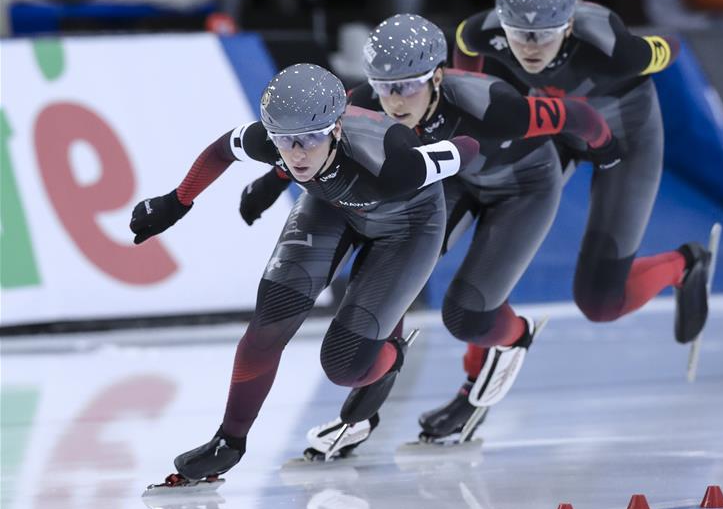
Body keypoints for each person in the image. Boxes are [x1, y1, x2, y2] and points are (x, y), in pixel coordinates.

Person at [240, 14, 620, 447]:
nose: (392, 101)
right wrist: (271, 182)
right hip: (456, 180)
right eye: (382, 86)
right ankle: (366, 411)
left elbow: (577, 115)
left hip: (523, 189)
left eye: (406, 86)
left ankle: (515, 338)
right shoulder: (367, 98)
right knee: (391, 272)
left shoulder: (491, 105)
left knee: (468, 314)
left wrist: (607, 152)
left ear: (438, 77)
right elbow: (308, 137)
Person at [132, 63, 478, 486]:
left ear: (335, 129)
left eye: (311, 138)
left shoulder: (392, 157)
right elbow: (222, 149)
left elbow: (468, 147)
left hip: (407, 228)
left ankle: (389, 358)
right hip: (331, 210)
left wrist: (465, 143)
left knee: (344, 366)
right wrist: (176, 202)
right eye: (284, 141)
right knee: (267, 324)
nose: (296, 154)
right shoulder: (275, 141)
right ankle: (229, 442)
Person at [452, 0, 715, 392]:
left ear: (570, 26)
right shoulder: (486, 30)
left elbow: (672, 46)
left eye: (543, 35)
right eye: (519, 34)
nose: (531, 48)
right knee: (494, 236)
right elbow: (466, 47)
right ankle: (480, 363)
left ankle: (684, 265)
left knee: (600, 302)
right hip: (558, 125)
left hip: (627, 141)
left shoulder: (614, 47)